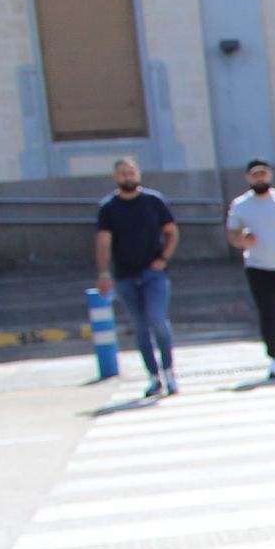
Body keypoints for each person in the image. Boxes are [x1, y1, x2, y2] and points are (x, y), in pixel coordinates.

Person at [95, 158, 179, 397]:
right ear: (115, 177)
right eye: (123, 173)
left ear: (138, 174)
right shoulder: (108, 207)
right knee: (140, 328)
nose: (128, 177)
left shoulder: (153, 201)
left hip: (154, 274)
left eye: (131, 172)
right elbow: (103, 242)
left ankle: (169, 372)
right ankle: (153, 377)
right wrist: (104, 273)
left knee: (157, 319)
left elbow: (171, 232)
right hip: (125, 276)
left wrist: (163, 258)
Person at [224, 159, 275, 380]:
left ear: (270, 175)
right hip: (258, 267)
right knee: (267, 313)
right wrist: (242, 240)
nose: (260, 178)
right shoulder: (241, 204)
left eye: (263, 174)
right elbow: (232, 233)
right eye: (255, 175)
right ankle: (274, 357)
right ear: (248, 178)